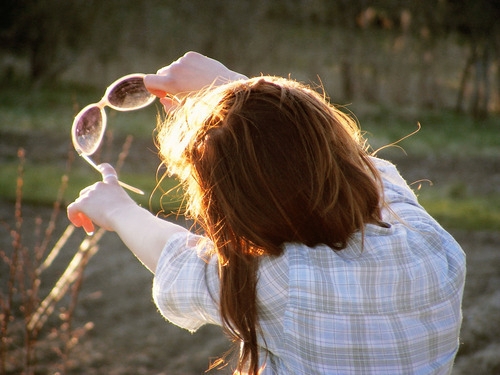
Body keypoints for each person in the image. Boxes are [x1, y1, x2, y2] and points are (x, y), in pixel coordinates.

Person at [67, 51, 466, 374]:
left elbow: (179, 260)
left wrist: (117, 208)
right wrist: (235, 87)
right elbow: (357, 165)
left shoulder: (282, 282)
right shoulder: (433, 247)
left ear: (236, 211)